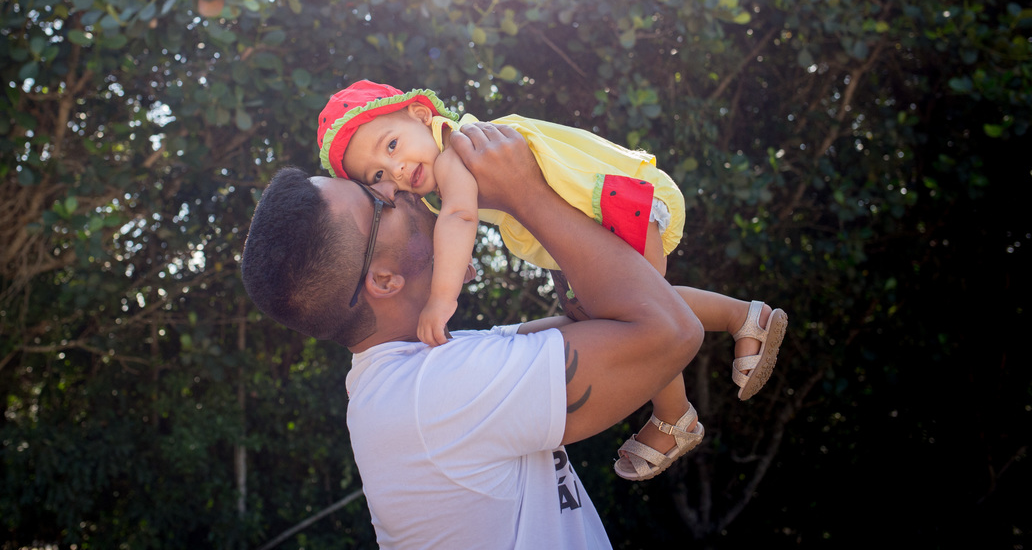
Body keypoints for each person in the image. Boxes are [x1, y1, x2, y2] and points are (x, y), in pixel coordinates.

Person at [315, 81, 788, 480]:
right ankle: (690, 395)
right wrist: (453, 261)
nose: (397, 170)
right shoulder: (444, 172)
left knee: (635, 312)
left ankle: (714, 359)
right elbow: (454, 224)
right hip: (605, 208)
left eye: (392, 146)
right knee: (617, 311)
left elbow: (461, 217)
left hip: (613, 204)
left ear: (421, 115)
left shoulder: (455, 153)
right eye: (379, 173)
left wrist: (442, 297)